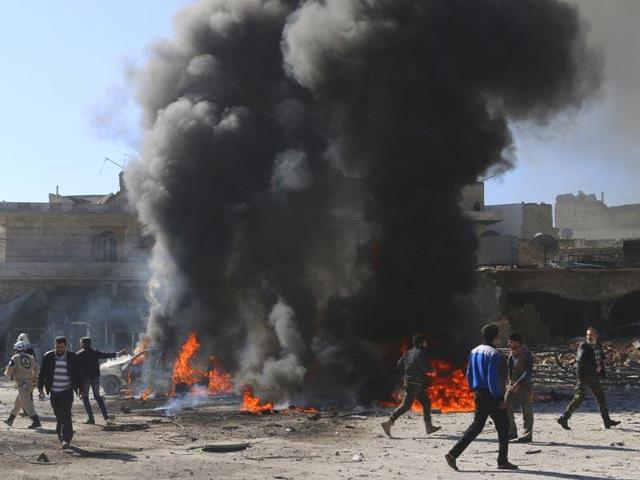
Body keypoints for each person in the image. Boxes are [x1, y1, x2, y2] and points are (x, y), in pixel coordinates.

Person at [445, 324, 517, 471]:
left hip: (478, 393)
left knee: (477, 426)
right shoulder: (494, 354)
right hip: (491, 394)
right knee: (504, 426)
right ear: (496, 337)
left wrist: (473, 389)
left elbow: (469, 373)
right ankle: (502, 461)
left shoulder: (474, 351)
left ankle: (453, 454)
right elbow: (492, 379)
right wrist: (499, 399)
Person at [557, 327, 621, 430]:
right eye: (587, 335)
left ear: (596, 335)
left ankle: (607, 421)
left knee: (601, 398)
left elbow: (600, 358)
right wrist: (596, 367)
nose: (589, 337)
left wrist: (601, 367)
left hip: (594, 376)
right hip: (584, 376)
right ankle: (564, 418)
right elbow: (582, 361)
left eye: (591, 335)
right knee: (578, 398)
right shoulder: (583, 346)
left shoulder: (598, 345)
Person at [381, 333, 441, 437]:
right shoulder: (420, 353)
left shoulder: (407, 353)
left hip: (412, 383)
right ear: (420, 343)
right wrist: (431, 371)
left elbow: (399, 365)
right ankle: (388, 422)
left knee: (426, 403)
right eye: (424, 342)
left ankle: (429, 427)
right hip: (415, 384)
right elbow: (424, 367)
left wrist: (408, 372)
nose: (426, 343)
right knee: (405, 406)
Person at [37, 336, 81, 449]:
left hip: (67, 390)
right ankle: (60, 435)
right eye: (57, 347)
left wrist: (80, 388)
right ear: (54, 346)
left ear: (65, 346)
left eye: (61, 347)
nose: (59, 349)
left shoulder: (72, 357)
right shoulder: (48, 356)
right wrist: (40, 388)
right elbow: (42, 373)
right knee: (59, 416)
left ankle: (66, 439)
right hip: (54, 392)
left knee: (66, 414)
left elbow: (78, 373)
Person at [76, 337, 126, 424]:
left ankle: (91, 418)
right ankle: (105, 416)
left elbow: (76, 368)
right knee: (97, 397)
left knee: (85, 398)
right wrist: (118, 353)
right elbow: (106, 355)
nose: (80, 344)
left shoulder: (79, 354)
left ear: (83, 344)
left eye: (80, 343)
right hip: (95, 378)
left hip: (85, 379)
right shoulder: (94, 352)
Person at [3, 341, 41, 429]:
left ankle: (36, 420)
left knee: (27, 402)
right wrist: (34, 376)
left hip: (21, 383)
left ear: (17, 349)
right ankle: (10, 419)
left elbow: (10, 369)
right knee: (19, 401)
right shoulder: (31, 357)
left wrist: (8, 374)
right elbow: (37, 367)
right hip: (30, 382)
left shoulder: (15, 357)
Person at [505, 333, 534, 443]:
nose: (508, 343)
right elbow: (510, 371)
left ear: (517, 342)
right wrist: (508, 384)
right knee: (506, 405)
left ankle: (527, 435)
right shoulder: (512, 355)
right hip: (511, 385)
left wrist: (519, 383)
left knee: (526, 410)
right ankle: (512, 432)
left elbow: (528, 371)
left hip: (524, 386)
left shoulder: (527, 354)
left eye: (510, 341)